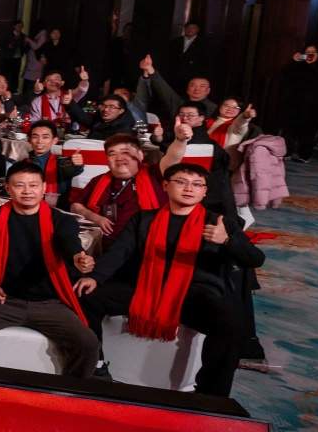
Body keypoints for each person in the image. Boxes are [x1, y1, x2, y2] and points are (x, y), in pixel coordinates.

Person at [75, 163, 265, 397]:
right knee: (86, 294)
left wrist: (228, 241)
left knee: (231, 322)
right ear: (165, 185)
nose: (189, 189)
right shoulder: (144, 219)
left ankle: (210, 394)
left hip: (195, 295)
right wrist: (95, 277)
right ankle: (96, 365)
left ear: (205, 191)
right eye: (181, 182)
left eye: (197, 184)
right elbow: (119, 253)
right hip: (145, 289)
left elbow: (256, 259)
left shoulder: (219, 223)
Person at [0, 161, 101, 376]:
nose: (27, 191)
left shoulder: (61, 220)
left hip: (49, 304)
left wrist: (78, 257)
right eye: (19, 185)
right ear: (8, 188)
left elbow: (68, 242)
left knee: (88, 343)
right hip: (3, 300)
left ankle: (66, 390)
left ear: (44, 188)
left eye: (33, 185)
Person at [66, 133, 162, 248]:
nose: (119, 158)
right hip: (105, 245)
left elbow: (173, 157)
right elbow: (75, 206)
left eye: (125, 152)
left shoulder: (155, 175)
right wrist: (95, 217)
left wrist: (179, 141)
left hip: (144, 244)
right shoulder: (98, 180)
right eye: (112, 154)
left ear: (140, 155)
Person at [277, 44, 318, 162]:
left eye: (313, 52)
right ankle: (287, 151)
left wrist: (313, 63)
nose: (309, 54)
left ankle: (304, 154)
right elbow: (285, 74)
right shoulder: (299, 65)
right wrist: (294, 61)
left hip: (314, 105)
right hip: (295, 102)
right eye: (307, 52)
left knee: (309, 130)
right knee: (290, 128)